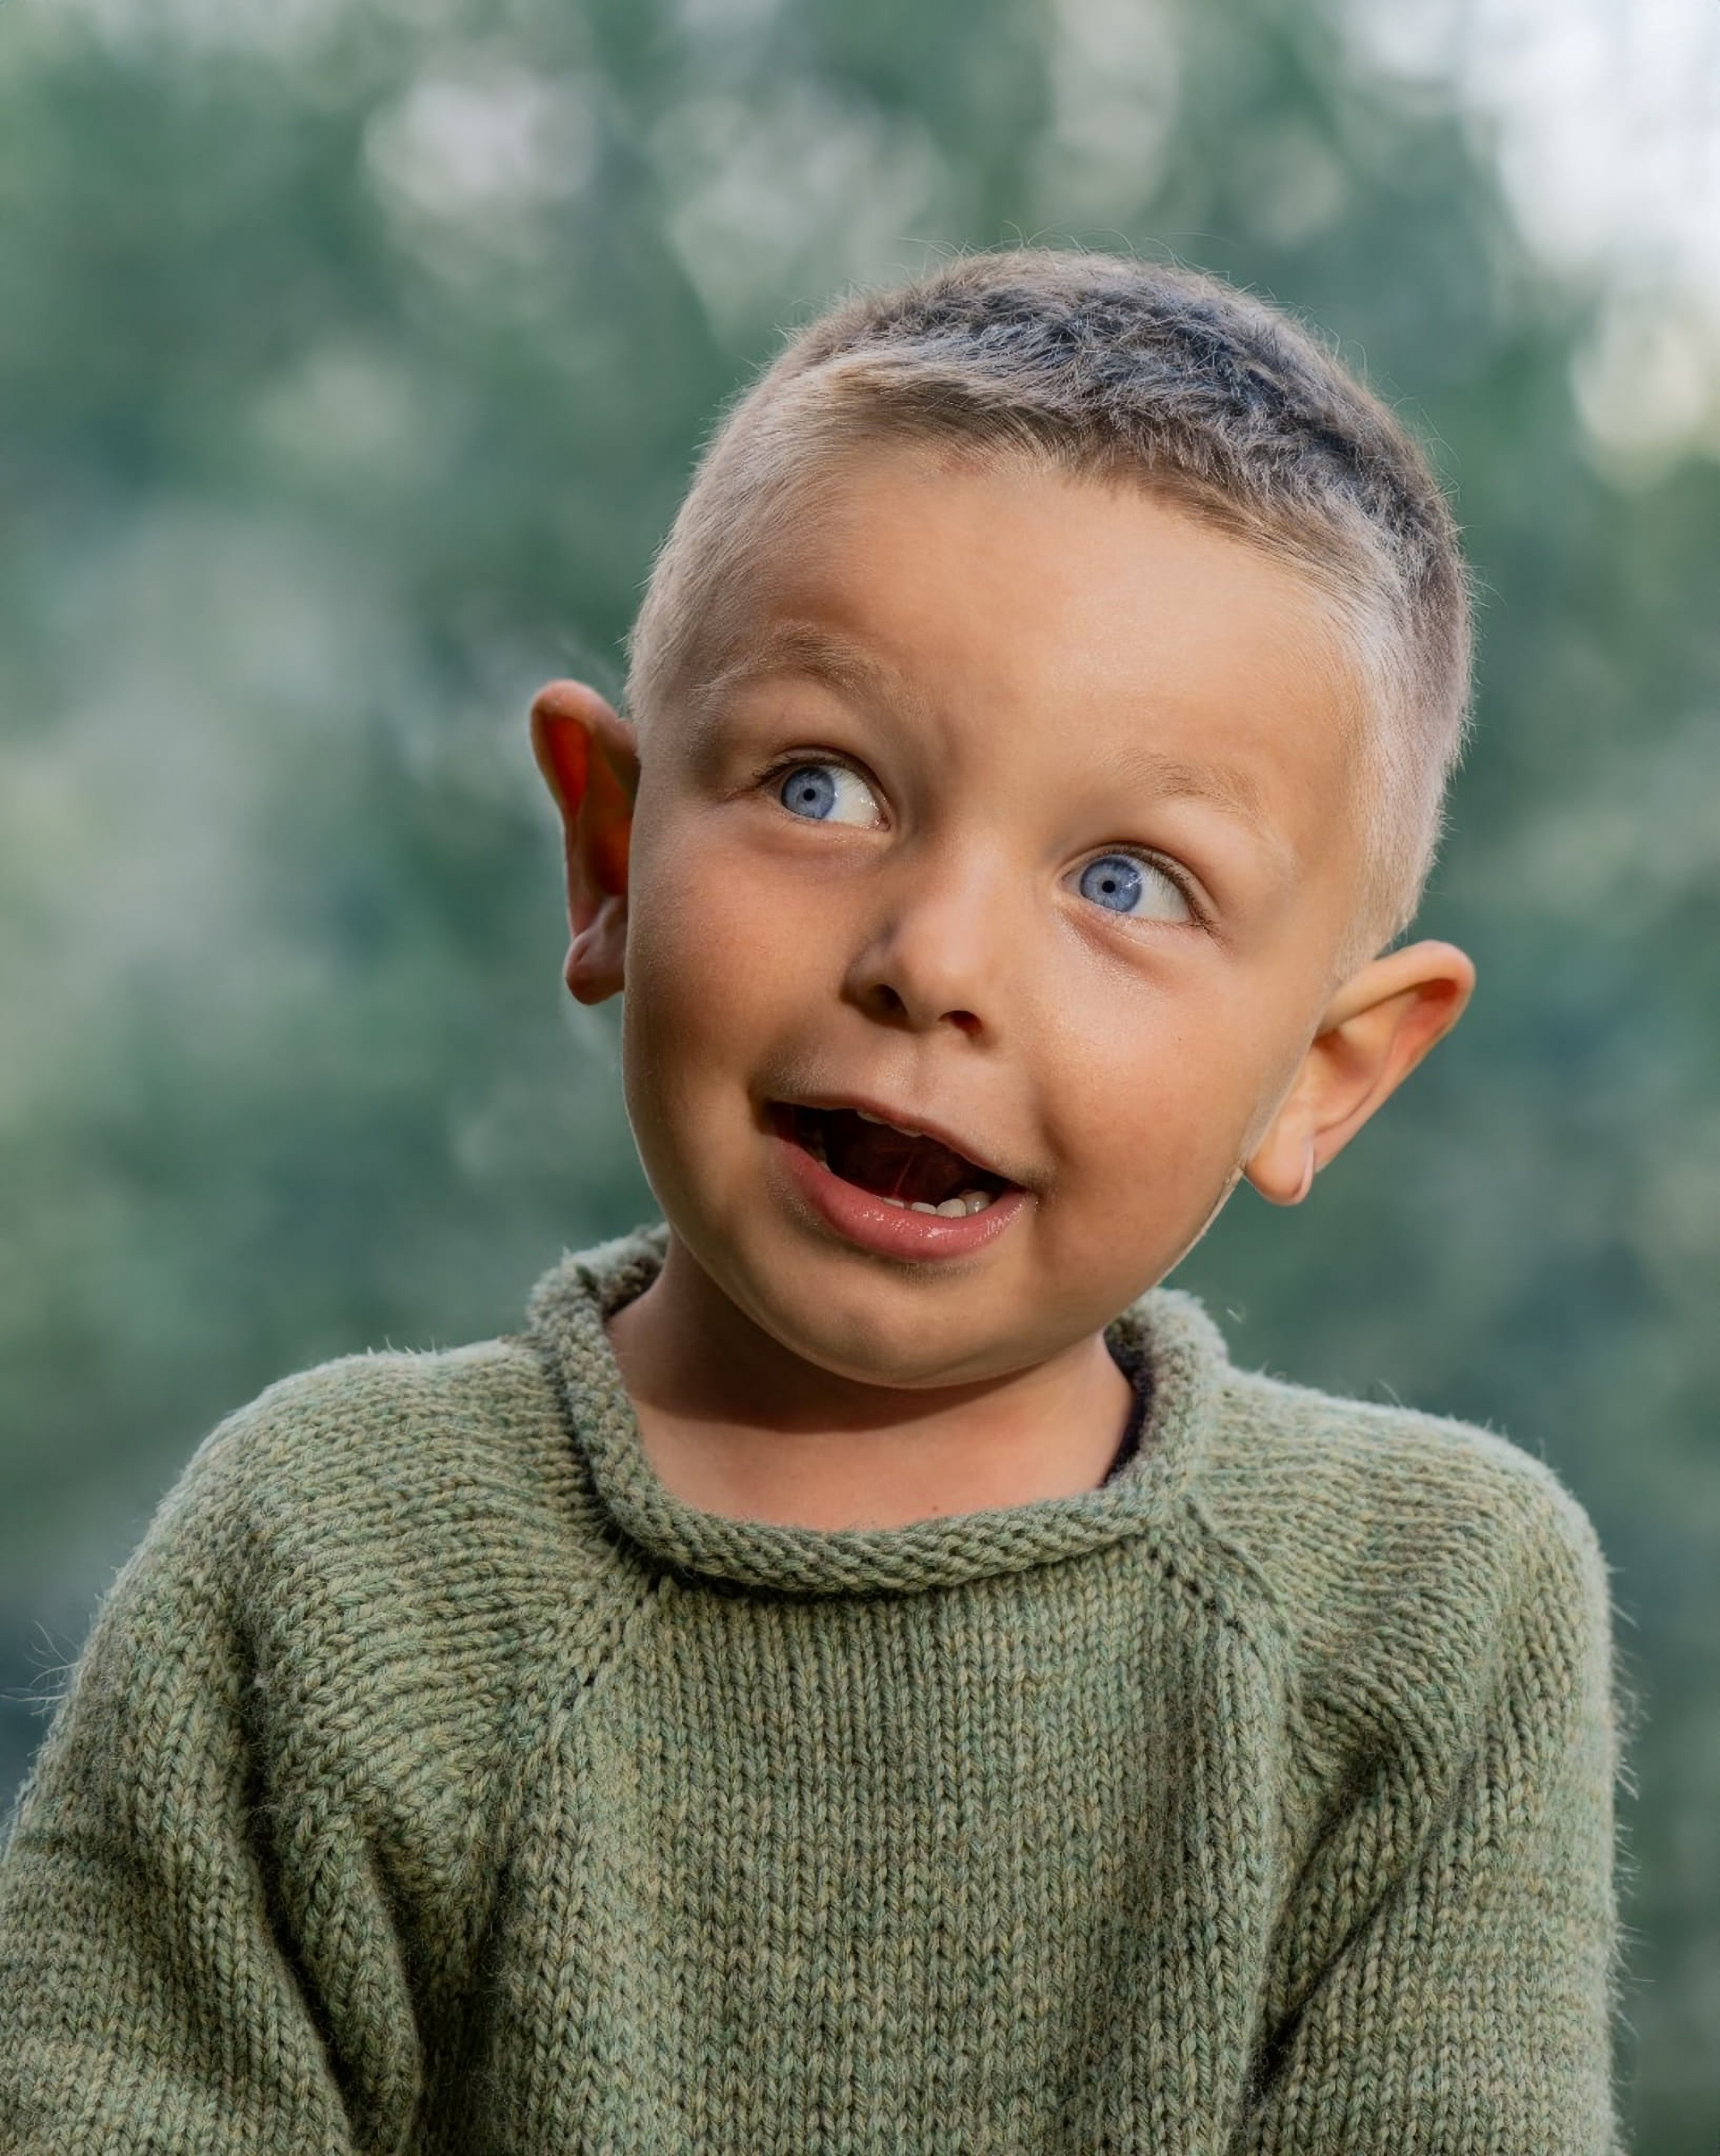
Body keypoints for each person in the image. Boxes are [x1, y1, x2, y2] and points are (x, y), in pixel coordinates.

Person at [0, 251, 1625, 2151]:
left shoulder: (1426, 1609)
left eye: (1126, 883)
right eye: (821, 785)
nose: (934, 958)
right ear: (609, 852)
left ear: (1322, 1075)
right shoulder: (331, 1553)